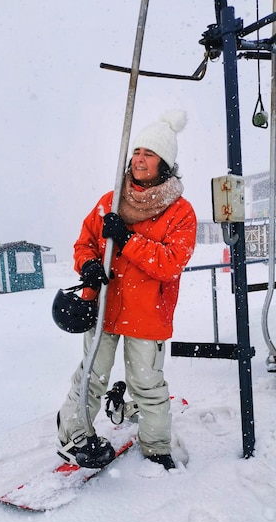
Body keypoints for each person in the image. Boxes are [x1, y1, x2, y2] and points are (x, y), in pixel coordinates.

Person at [55, 110, 197, 470]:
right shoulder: (111, 200)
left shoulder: (181, 213)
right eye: (136, 152)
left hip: (147, 313)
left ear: (164, 163)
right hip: (103, 307)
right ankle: (74, 434)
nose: (138, 160)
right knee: (89, 376)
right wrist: (87, 264)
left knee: (147, 384)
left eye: (149, 154)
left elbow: (169, 263)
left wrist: (127, 239)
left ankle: (156, 445)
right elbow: (84, 242)